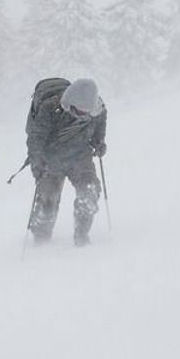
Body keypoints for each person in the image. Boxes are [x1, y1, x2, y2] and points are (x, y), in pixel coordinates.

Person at [25, 77, 107, 246]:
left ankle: (82, 238)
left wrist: (99, 142)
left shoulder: (97, 109)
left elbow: (99, 126)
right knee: (47, 201)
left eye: (87, 111)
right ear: (70, 102)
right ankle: (40, 241)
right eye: (79, 110)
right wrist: (37, 164)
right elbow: (36, 139)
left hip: (80, 156)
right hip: (50, 160)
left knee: (89, 192)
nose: (83, 114)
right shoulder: (50, 108)